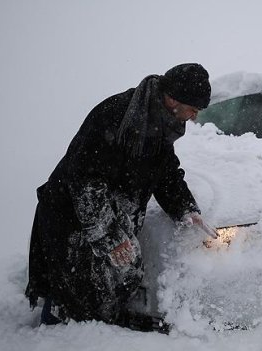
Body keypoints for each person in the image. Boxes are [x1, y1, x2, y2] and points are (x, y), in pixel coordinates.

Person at [25, 63, 217, 330]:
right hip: (73, 219)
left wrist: (186, 208)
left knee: (113, 284)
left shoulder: (160, 123)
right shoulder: (116, 116)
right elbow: (85, 184)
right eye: (193, 110)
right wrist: (112, 238)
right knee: (73, 296)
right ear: (173, 99)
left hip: (105, 216)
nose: (194, 117)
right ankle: (50, 337)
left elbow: (165, 172)